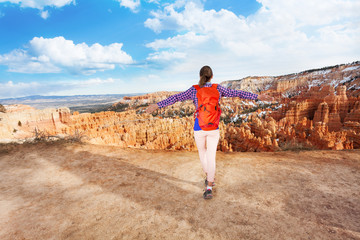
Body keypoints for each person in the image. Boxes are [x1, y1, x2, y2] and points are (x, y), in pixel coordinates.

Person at [146, 66, 272, 199]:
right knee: (211, 156)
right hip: (213, 128)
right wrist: (257, 97)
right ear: (212, 76)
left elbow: (176, 98)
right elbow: (237, 93)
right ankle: (209, 186)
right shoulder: (218, 88)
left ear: (200, 76)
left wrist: (157, 105)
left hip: (199, 127)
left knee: (202, 152)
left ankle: (208, 175)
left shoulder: (194, 89)